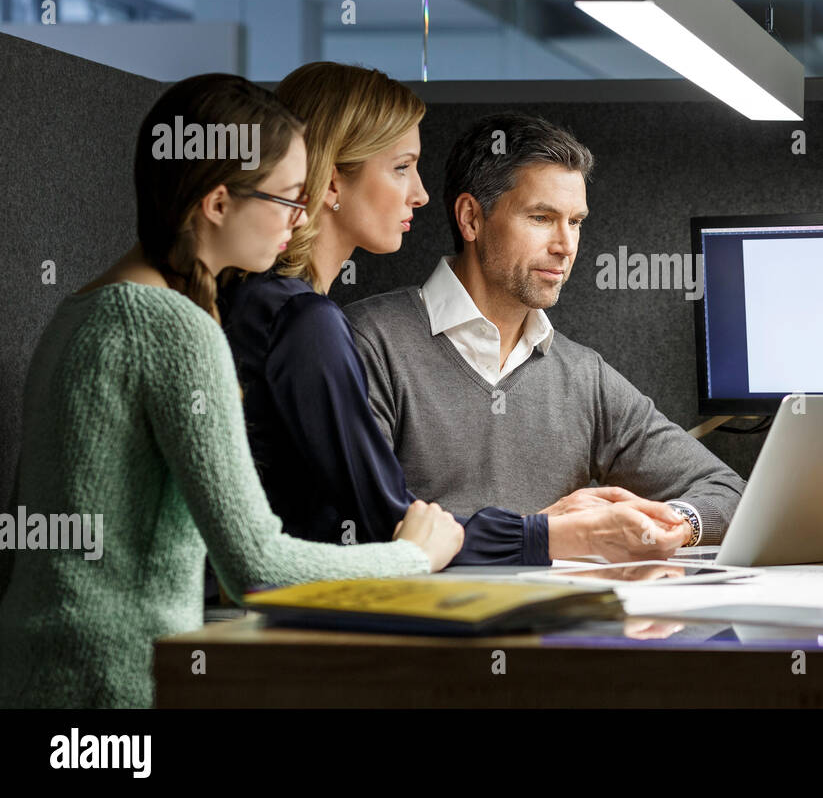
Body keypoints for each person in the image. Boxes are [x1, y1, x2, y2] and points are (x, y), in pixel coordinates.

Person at [0, 75, 462, 708]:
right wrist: (413, 558)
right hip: (115, 695)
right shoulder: (179, 331)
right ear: (218, 204)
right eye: (287, 201)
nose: (298, 221)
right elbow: (258, 571)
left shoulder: (78, 311)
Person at [344, 113, 746, 562]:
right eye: (541, 218)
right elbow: (364, 529)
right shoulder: (368, 342)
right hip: (426, 626)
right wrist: (544, 533)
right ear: (471, 219)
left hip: (551, 627)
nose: (565, 245)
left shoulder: (581, 375)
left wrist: (667, 523)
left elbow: (730, 492)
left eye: (575, 222)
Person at [219, 63, 541, 563]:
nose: (421, 193)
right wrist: (548, 536)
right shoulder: (305, 322)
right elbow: (389, 525)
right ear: (330, 182)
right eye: (401, 166)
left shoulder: (251, 298)